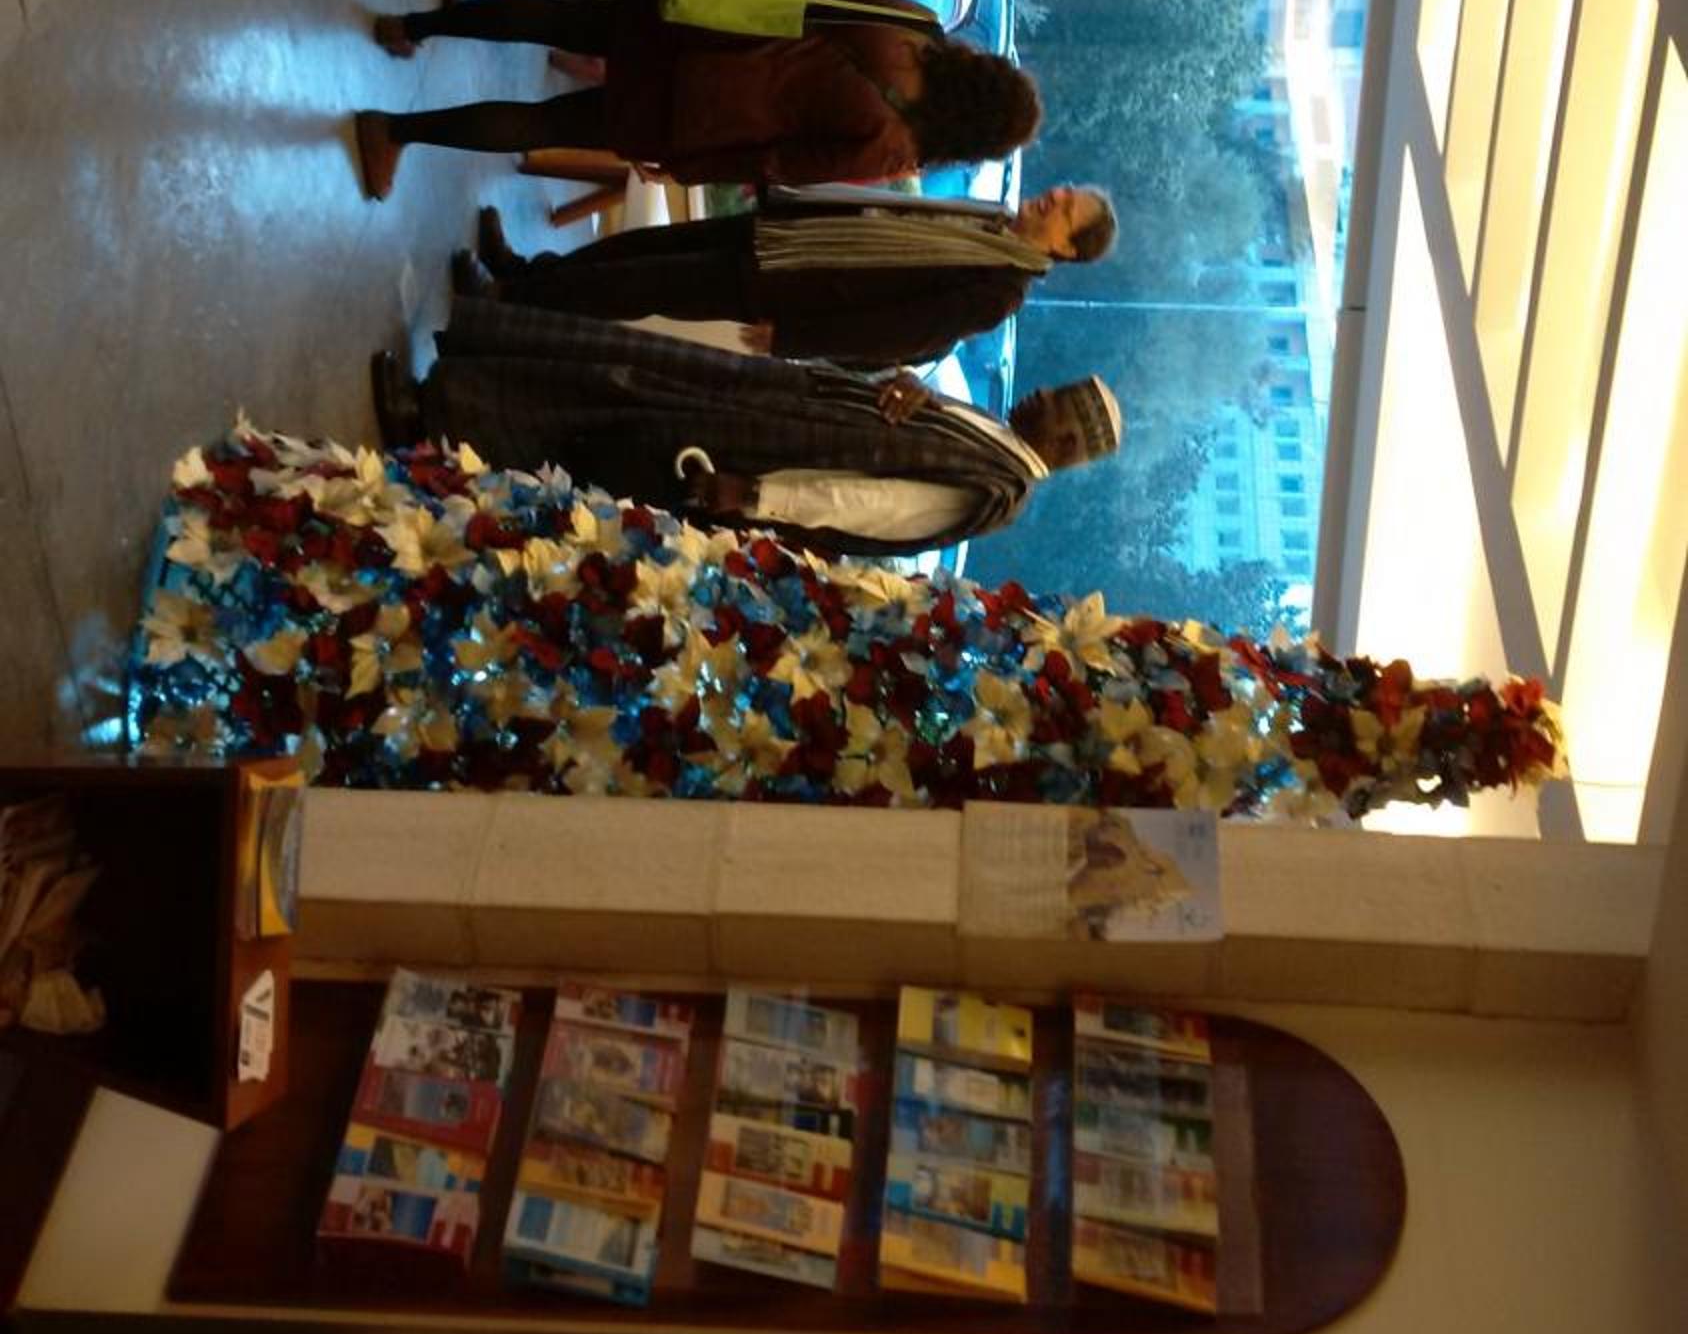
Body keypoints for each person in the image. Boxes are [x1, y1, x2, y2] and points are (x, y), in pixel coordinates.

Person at [131, 426, 1571, 821]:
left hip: (813, 680)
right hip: (812, 657)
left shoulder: (1231, 734)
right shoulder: (1231, 727)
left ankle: (257, 609)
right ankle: (255, 614)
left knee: (543, 608)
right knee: (549, 592)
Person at [372, 307, 1123, 559]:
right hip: (767, 413)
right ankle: (453, 381)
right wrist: (915, 393)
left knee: (592, 428)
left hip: (752, 455)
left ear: (1064, 447)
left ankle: (431, 419)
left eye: (1054, 403)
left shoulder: (996, 489)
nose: (1039, 393)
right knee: (608, 379)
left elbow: (870, 506)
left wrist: (754, 496)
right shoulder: (994, 440)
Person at [352, 0, 1042, 202]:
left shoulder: (916, 28)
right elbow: (779, 163)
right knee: (544, 124)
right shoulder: (896, 146)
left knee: (561, 19)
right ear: (972, 140)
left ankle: (411, 24)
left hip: (705, 29)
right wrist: (688, 169)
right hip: (698, 116)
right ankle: (396, 131)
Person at [455, 179, 1117, 372]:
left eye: (1067, 210)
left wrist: (798, 337)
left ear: (1064, 248)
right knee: (638, 252)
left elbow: (897, 331)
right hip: (786, 236)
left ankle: (508, 302)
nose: (1055, 196)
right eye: (1066, 191)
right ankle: (523, 273)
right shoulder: (992, 219)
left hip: (789, 287)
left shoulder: (999, 291)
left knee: (636, 287)